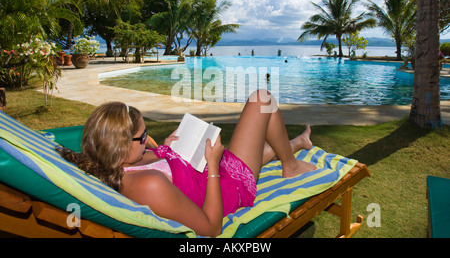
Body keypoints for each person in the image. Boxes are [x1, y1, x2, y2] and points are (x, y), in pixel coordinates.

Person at [59, 90, 315, 237]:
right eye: (143, 135)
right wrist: (214, 166)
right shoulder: (149, 185)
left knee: (260, 114)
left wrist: (164, 149)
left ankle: (297, 143)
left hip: (209, 169)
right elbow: (211, 228)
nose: (148, 139)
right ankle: (290, 165)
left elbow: (155, 161)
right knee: (263, 100)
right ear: (120, 146)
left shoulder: (116, 162)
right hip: (229, 184)